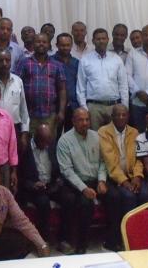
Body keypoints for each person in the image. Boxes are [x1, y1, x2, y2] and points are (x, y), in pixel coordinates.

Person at [56, 108, 108, 254]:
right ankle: (81, 246)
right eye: (80, 120)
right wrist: (84, 189)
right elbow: (67, 171)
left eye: (87, 120)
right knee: (85, 203)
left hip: (96, 180)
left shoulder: (96, 137)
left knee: (115, 196)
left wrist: (102, 180)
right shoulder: (65, 141)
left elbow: (103, 162)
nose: (84, 123)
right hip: (74, 183)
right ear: (73, 121)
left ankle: (114, 239)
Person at [98, 104, 142, 251]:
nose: (121, 117)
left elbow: (139, 158)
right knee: (126, 197)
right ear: (112, 117)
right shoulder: (103, 132)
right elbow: (110, 161)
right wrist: (124, 181)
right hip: (113, 178)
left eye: (124, 115)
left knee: (146, 194)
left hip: (131, 177)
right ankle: (122, 238)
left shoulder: (135, 132)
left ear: (128, 116)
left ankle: (138, 236)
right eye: (118, 115)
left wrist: (137, 176)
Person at [77, 28, 129, 130]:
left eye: (103, 38)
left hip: (114, 107)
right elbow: (81, 86)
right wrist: (84, 108)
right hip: (93, 108)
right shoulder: (85, 60)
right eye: (98, 39)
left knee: (115, 137)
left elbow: (123, 85)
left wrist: (124, 107)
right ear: (93, 41)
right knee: (94, 139)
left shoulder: (116, 59)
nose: (101, 41)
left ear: (108, 40)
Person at [18, 123, 62, 241]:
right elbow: (20, 177)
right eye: (44, 142)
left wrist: (58, 180)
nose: (46, 145)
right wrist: (32, 185)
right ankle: (43, 239)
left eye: (48, 142)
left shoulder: (52, 145)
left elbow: (58, 168)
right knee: (43, 202)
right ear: (36, 137)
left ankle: (64, 237)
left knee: (69, 198)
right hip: (34, 189)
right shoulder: (25, 149)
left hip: (51, 185)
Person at [16, 33, 66, 136]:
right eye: (38, 42)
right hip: (28, 114)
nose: (41, 44)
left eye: (44, 42)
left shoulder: (57, 65)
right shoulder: (24, 63)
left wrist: (61, 111)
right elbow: (16, 87)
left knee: (49, 146)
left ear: (49, 45)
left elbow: (62, 89)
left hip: (50, 114)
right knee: (29, 147)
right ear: (33, 44)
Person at [51, 33, 79, 132]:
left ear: (71, 45)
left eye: (68, 45)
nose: (65, 48)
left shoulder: (76, 62)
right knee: (54, 137)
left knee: (71, 138)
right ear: (57, 45)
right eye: (62, 45)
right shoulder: (50, 61)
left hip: (73, 105)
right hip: (55, 106)